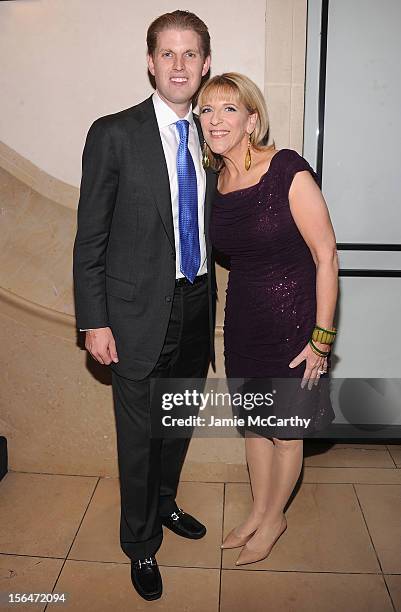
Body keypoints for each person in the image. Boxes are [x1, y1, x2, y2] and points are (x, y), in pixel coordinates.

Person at [73, 11, 216, 601]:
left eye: (190, 55)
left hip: (197, 305)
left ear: (206, 65)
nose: (179, 65)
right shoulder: (113, 132)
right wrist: (94, 320)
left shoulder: (215, 133)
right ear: (151, 62)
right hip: (133, 316)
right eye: (168, 54)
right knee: (139, 438)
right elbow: (91, 238)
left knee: (177, 423)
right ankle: (141, 544)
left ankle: (164, 505)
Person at [198, 73, 338, 566]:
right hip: (244, 320)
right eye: (207, 109)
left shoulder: (286, 168)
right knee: (256, 426)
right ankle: (259, 510)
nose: (216, 119)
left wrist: (321, 340)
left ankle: (275, 517)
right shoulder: (216, 181)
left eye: (229, 109)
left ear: (252, 119)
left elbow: (326, 256)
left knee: (286, 430)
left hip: (294, 321)